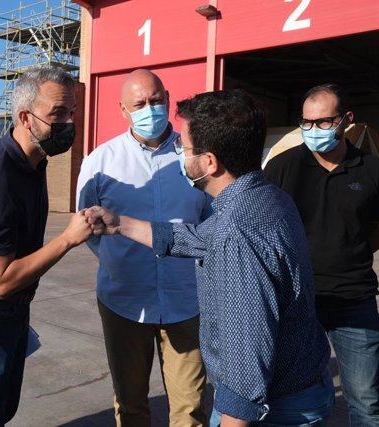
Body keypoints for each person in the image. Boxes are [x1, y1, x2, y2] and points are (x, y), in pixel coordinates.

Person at [86, 89, 334, 426]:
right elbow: (198, 238)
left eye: (184, 148)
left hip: (274, 409)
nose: (179, 154)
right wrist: (120, 224)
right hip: (302, 388)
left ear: (209, 162)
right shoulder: (264, 198)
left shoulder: (236, 235)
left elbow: (245, 364)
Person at [0, 64, 93, 427]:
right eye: (57, 113)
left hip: (12, 306)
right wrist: (67, 240)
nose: (68, 123)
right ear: (25, 118)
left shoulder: (35, 161)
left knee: (3, 407)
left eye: (72, 112)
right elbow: (0, 280)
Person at [76, 69, 211, 426]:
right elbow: (86, 228)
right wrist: (118, 262)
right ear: (123, 110)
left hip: (187, 301)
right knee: (131, 405)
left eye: (155, 100)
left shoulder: (196, 155)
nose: (149, 109)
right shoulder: (100, 162)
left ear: (167, 98)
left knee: (190, 408)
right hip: (125, 302)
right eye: (139, 104)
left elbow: (213, 222)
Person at [265, 83, 379, 426]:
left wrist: (349, 250)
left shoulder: (372, 170)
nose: (313, 131)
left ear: (346, 119)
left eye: (324, 122)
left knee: (367, 402)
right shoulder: (283, 167)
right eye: (307, 123)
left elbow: (376, 228)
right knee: (295, 402)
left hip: (353, 301)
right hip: (298, 301)